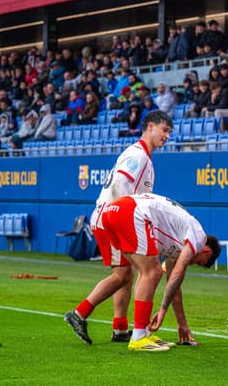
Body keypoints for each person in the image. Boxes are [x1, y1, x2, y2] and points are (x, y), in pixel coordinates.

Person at [64, 110, 173, 346]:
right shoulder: (139, 155)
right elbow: (119, 185)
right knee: (124, 274)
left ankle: (120, 328)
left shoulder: (142, 155)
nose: (167, 136)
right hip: (113, 217)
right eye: (164, 130)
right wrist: (122, 218)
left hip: (111, 216)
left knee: (126, 274)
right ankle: (79, 313)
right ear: (150, 127)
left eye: (169, 132)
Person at [98, 193, 220, 351]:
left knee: (145, 272)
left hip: (113, 211)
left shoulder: (179, 237)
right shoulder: (198, 236)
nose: (192, 263)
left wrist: (182, 325)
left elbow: (174, 284)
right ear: (207, 252)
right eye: (199, 262)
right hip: (129, 211)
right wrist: (162, 310)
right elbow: (178, 273)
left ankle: (143, 332)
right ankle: (139, 336)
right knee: (153, 272)